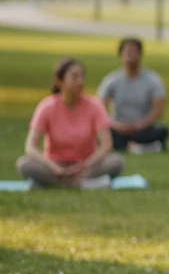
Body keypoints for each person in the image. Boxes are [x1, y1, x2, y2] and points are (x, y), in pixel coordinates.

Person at [17, 58, 125, 188]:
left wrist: (86, 164)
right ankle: (85, 185)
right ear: (59, 81)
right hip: (54, 165)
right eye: (74, 77)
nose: (80, 82)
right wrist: (54, 167)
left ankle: (51, 183)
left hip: (86, 165)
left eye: (82, 76)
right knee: (24, 164)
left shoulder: (95, 105)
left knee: (116, 162)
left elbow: (106, 145)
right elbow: (30, 146)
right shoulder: (47, 106)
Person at [96, 37, 169, 153]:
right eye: (128, 52)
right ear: (120, 55)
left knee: (162, 131)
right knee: (102, 133)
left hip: (143, 127)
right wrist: (115, 125)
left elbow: (158, 110)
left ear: (141, 54)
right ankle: (138, 146)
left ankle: (131, 145)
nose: (131, 55)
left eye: (134, 52)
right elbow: (100, 108)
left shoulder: (153, 80)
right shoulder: (111, 80)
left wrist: (140, 125)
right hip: (119, 127)